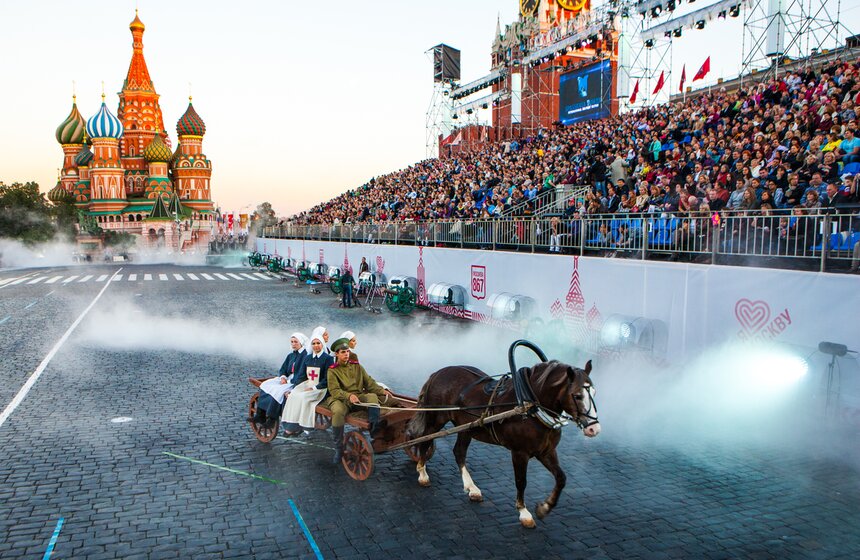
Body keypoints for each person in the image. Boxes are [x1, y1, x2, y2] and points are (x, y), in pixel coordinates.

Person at [325, 338, 394, 464]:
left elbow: (369, 383)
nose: (346, 354)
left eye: (347, 351)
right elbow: (334, 390)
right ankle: (339, 449)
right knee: (338, 412)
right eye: (342, 352)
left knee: (372, 397)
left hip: (358, 397)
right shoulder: (332, 370)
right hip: (341, 399)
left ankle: (374, 428)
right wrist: (348, 396)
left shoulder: (357, 367)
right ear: (337, 354)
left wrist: (381, 391)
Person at [281, 328, 334, 436]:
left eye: (318, 343)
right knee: (293, 395)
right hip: (308, 383)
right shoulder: (308, 358)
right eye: (313, 343)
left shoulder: (327, 359)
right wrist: (294, 388)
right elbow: (301, 376)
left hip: (321, 388)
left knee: (303, 397)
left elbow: (328, 378)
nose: (316, 346)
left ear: (322, 344)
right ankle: (291, 427)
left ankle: (304, 425)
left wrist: (315, 388)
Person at [250, 332, 309, 428]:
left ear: (301, 342)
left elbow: (302, 374)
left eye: (295, 342)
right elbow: (283, 369)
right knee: (266, 385)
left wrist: (291, 382)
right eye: (292, 342)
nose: (293, 344)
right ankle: (260, 414)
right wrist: (283, 377)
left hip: (295, 382)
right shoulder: (291, 355)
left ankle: (272, 419)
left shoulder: (305, 356)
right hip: (287, 379)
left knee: (278, 391)